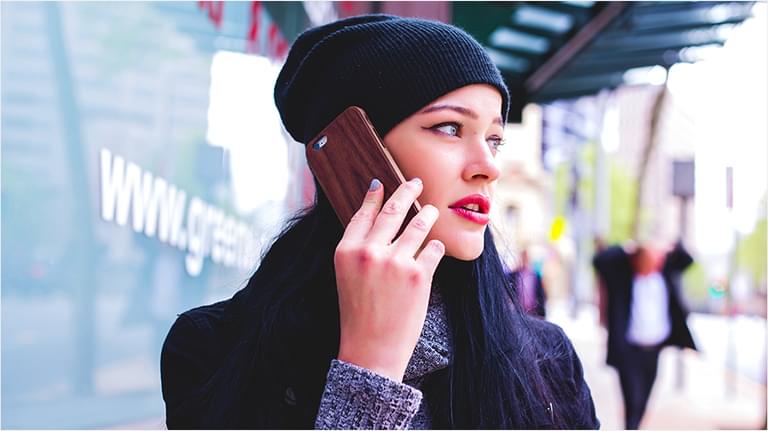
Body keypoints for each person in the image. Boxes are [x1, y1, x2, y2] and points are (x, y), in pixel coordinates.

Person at [161, 14, 599, 429]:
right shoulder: (213, 350)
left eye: (494, 139)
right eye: (449, 128)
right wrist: (370, 370)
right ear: (353, 151)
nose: (489, 167)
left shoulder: (547, 361)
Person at [592, 239, 697, 429]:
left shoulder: (665, 274)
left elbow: (687, 259)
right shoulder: (623, 276)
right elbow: (599, 261)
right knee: (633, 399)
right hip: (629, 351)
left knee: (643, 401)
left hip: (654, 349)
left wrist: (669, 245)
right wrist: (626, 248)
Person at [507, 248, 547, 318]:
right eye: (523, 257)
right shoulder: (514, 275)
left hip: (534, 312)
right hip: (518, 312)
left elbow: (541, 294)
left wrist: (541, 311)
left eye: (526, 257)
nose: (524, 260)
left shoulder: (535, 276)